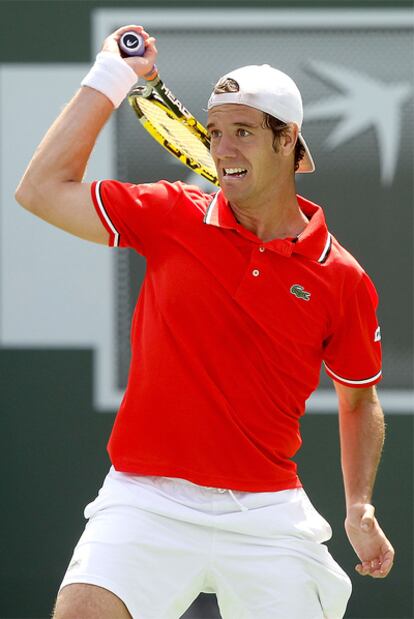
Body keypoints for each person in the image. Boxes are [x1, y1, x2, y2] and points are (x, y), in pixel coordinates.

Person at [15, 24, 394, 619]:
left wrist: (359, 505)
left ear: (288, 140)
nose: (221, 150)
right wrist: (110, 76)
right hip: (144, 498)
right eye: (215, 133)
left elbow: (358, 400)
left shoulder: (341, 277)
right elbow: (39, 190)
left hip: (267, 515)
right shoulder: (169, 214)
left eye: (243, 132)